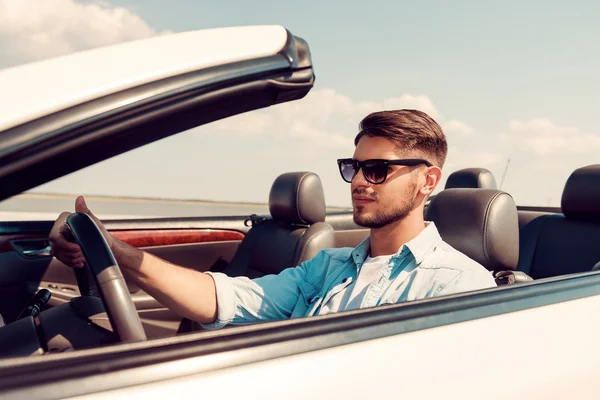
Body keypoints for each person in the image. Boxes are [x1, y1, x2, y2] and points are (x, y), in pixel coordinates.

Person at [49, 109, 496, 329]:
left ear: (427, 181)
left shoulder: (457, 285)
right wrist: (114, 249)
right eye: (352, 167)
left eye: (377, 169)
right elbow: (223, 297)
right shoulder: (330, 266)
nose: (359, 181)